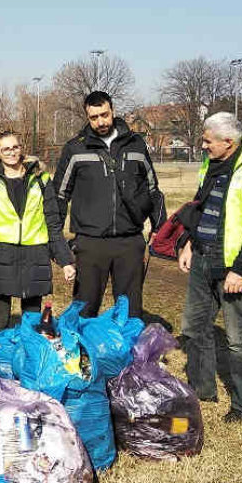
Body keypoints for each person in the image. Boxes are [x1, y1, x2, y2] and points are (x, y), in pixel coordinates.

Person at [176, 112, 242, 421]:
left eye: (208, 140)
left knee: (238, 337)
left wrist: (241, 270)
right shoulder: (210, 166)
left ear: (228, 142)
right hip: (203, 260)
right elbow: (201, 210)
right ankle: (202, 389)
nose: (203, 145)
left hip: (234, 268)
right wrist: (189, 243)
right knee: (193, 328)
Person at [54, 91, 166, 318]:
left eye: (104, 115)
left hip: (129, 240)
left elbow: (153, 188)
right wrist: (56, 243)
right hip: (90, 242)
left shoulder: (136, 145)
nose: (100, 122)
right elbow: (59, 195)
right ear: (87, 117)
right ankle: (82, 351)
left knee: (130, 308)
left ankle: (128, 350)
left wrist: (159, 227)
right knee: (85, 306)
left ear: (112, 110)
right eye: (93, 117)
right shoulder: (75, 148)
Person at [0, 131, 75, 332]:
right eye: (6, 149)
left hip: (35, 254)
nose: (11, 152)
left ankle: (28, 360)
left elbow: (52, 222)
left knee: (32, 322)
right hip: (0, 255)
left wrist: (65, 261)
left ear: (21, 148)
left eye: (15, 147)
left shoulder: (41, 180)